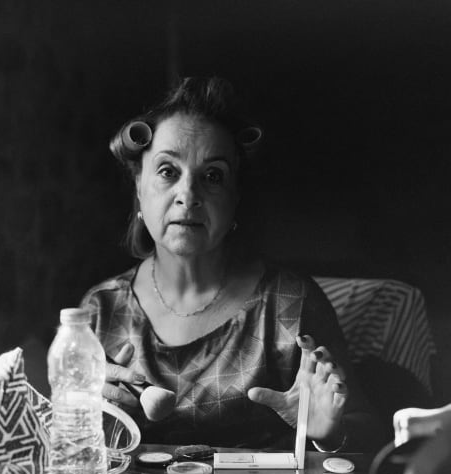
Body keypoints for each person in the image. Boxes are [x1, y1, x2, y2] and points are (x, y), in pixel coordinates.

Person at [81, 76, 381, 452]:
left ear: (235, 196)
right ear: (139, 186)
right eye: (167, 171)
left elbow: (370, 434)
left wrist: (328, 433)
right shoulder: (98, 313)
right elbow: (68, 451)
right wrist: (78, 417)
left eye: (212, 176)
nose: (188, 195)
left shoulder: (289, 304)